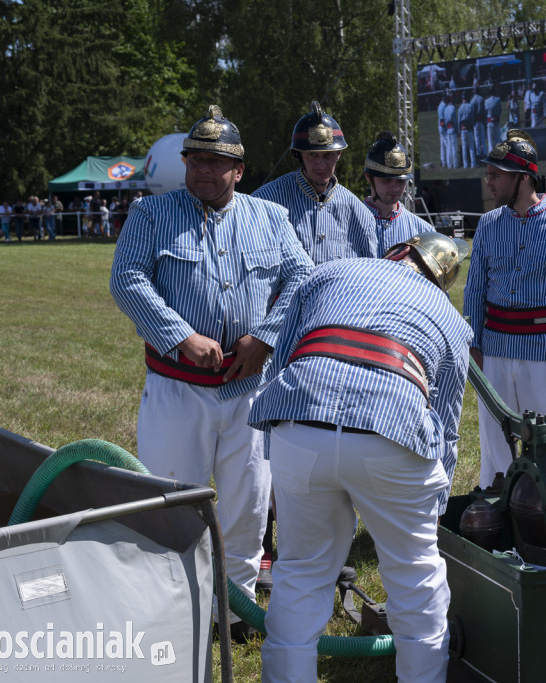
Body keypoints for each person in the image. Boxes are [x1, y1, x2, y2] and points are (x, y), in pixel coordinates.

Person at [110, 105, 313, 642]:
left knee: (248, 505)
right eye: (195, 160)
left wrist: (267, 336)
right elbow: (126, 279)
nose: (202, 170)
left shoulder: (270, 218)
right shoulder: (151, 215)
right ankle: (173, 607)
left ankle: (235, 611)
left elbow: (301, 278)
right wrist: (180, 334)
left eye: (215, 162)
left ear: (239, 170)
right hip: (178, 391)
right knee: (172, 500)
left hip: (249, 393)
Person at [249, 232, 472, 683]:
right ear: (440, 281)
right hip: (392, 430)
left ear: (397, 252)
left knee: (300, 572)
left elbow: (283, 360)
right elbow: (447, 422)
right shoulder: (451, 319)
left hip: (301, 421)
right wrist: (435, 503)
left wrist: (277, 461)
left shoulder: (329, 272)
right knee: (414, 577)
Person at [463, 130, 546, 488]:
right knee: (495, 440)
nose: (489, 181)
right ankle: (495, 507)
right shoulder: (488, 225)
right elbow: (475, 289)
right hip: (495, 349)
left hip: (543, 351)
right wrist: (472, 342)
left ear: (523, 178)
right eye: (489, 174)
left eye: (496, 175)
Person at [254, 101, 377, 264]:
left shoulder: (361, 215)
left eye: (328, 155)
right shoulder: (265, 202)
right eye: (313, 155)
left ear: (339, 154)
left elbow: (369, 276)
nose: (321, 165)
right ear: (298, 155)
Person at [363, 131, 434, 255]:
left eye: (401, 180)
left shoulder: (424, 232)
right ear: (369, 176)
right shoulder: (348, 223)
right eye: (387, 179)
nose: (395, 187)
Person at [458, 90, 476, 169]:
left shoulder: (460, 108)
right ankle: (473, 163)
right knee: (471, 147)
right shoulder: (470, 106)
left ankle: (465, 164)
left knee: (464, 148)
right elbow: (472, 119)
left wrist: (459, 131)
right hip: (469, 128)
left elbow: (459, 121)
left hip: (463, 129)